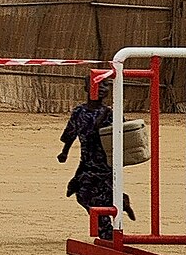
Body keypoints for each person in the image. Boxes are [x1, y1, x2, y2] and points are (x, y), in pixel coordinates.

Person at [58, 74, 136, 239]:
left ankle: (106, 230)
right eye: (97, 84)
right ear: (87, 88)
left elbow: (124, 136)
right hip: (86, 162)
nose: (102, 89)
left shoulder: (110, 113)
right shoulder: (79, 112)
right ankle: (120, 202)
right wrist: (64, 152)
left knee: (88, 195)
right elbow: (71, 133)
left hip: (104, 165)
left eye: (105, 85)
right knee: (82, 194)